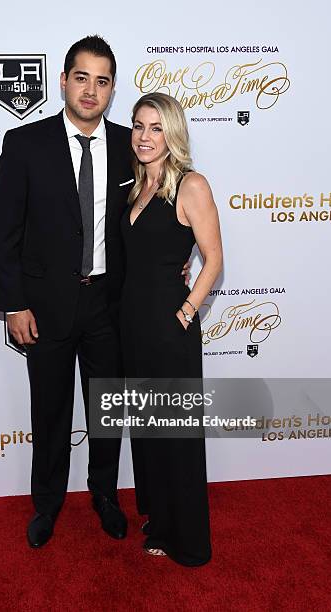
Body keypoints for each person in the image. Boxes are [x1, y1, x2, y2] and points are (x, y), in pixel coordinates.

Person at [0, 36, 133, 547]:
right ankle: (46, 504)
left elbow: (147, 220)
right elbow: (3, 231)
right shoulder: (25, 143)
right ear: (64, 80)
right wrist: (12, 303)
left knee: (106, 409)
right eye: (82, 77)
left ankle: (105, 496)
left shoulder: (129, 148)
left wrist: (174, 261)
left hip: (107, 306)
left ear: (112, 88)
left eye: (102, 80)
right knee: (49, 411)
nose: (91, 90)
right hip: (44, 307)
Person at [120, 92, 223, 565]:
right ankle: (160, 519)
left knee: (176, 433)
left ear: (173, 133)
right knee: (148, 429)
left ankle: (189, 540)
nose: (144, 136)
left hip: (169, 325)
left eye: (156, 127)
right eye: (139, 126)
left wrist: (185, 312)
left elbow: (214, 259)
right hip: (133, 325)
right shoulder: (135, 187)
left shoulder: (191, 184)